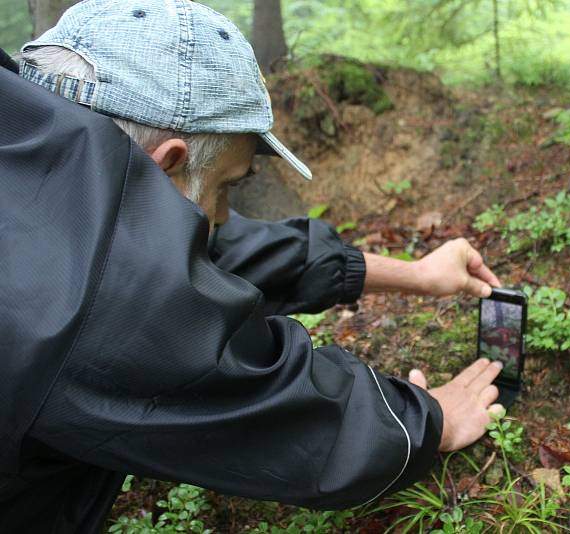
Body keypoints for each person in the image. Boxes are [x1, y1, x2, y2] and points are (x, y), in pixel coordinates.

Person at [0, 1, 505, 532]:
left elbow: (211, 247)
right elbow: (286, 412)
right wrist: (432, 422)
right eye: (224, 188)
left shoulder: (33, 151)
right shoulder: (82, 300)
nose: (219, 215)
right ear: (168, 160)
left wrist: (416, 275)